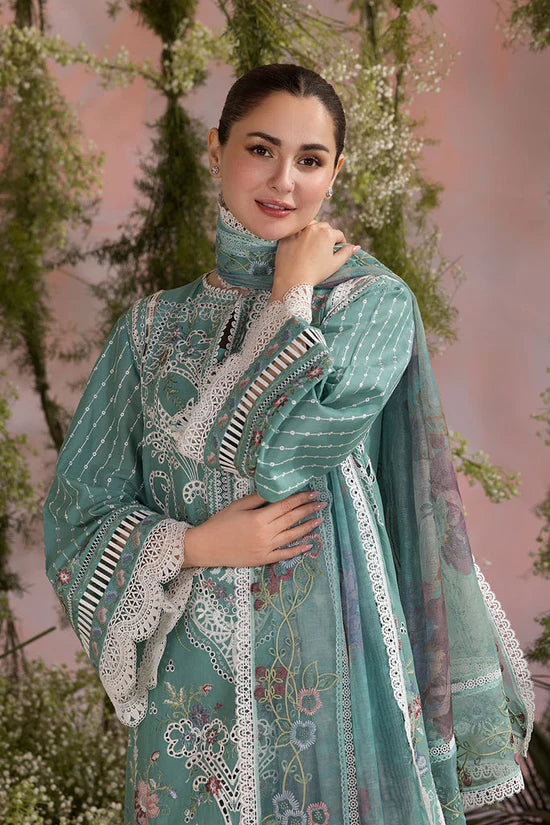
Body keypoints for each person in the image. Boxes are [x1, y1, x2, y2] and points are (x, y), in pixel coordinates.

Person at [44, 63, 534, 825]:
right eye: (260, 149)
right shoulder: (151, 328)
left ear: (335, 172)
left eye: (310, 159)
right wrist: (193, 545)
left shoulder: (371, 305)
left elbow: (276, 453)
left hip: (331, 664)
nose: (283, 180)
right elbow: (79, 510)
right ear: (216, 149)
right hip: (189, 679)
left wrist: (289, 299)